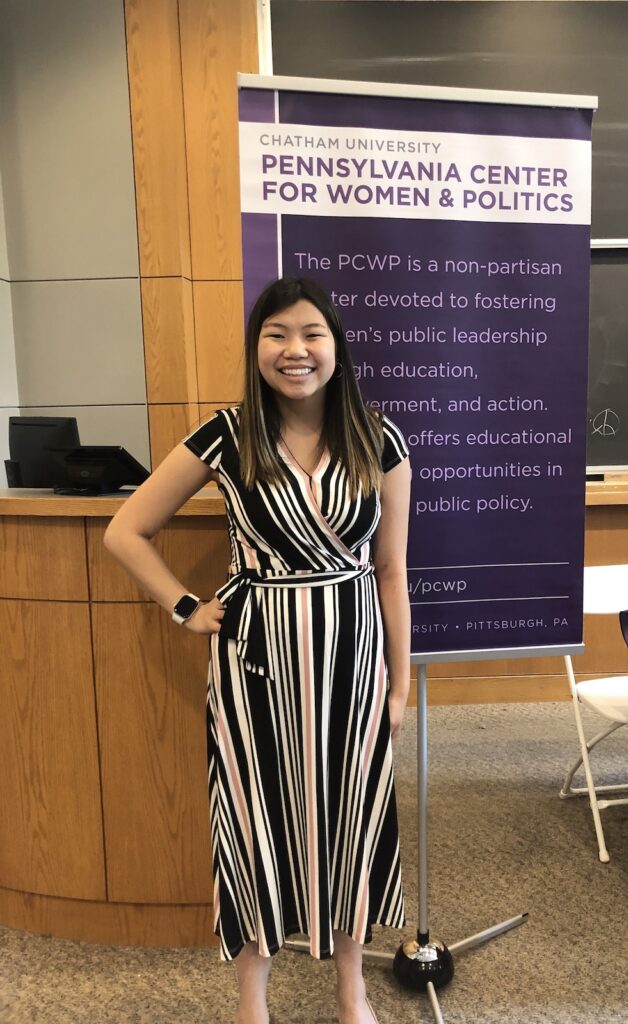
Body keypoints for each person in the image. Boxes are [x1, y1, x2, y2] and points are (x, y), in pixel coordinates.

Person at [103, 277, 411, 1024]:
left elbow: (394, 571)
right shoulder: (224, 434)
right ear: (257, 348)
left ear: (335, 347)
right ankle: (253, 1001)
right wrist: (184, 606)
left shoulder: (382, 438)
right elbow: (125, 530)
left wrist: (399, 689)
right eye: (276, 334)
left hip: (352, 661)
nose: (294, 350)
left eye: (311, 333)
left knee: (351, 816)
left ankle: (352, 988)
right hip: (254, 664)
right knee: (252, 819)